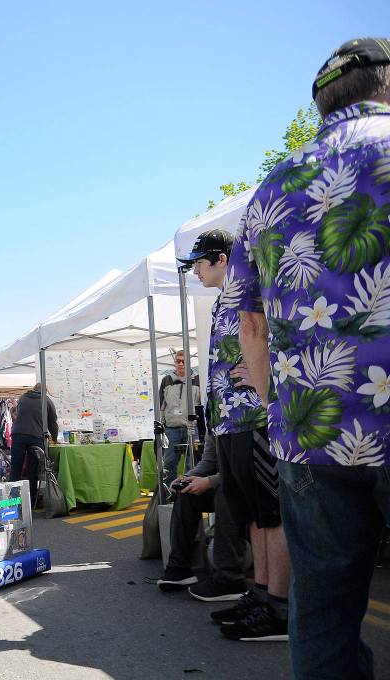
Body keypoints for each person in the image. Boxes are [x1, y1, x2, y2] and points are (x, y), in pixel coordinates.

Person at [224, 38, 390, 677]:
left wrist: (276, 404)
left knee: (321, 610)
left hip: (310, 429)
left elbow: (251, 323)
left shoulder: (272, 189)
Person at [178, 229, 291, 643]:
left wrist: (266, 376)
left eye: (199, 264)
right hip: (230, 423)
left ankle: (280, 606)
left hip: (255, 419)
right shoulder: (225, 298)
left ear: (222, 259)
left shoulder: (254, 286)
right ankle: (262, 595)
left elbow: (278, 333)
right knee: (254, 517)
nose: (195, 273)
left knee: (271, 514)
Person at [156, 434, 248, 601]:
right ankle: (179, 567)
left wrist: (209, 481)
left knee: (226, 492)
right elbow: (208, 461)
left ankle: (230, 577)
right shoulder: (215, 417)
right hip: (225, 480)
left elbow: (246, 468)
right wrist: (187, 478)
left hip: (250, 486)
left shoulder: (245, 414)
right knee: (186, 493)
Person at [9, 384, 59, 502]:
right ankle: (30, 502)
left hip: (18, 435)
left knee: (16, 469)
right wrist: (55, 438)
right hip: (35, 437)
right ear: (45, 391)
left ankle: (12, 501)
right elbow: (53, 423)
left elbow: (19, 414)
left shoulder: (23, 398)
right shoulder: (46, 401)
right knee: (32, 470)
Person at [158, 350, 200, 488]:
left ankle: (189, 493)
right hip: (171, 428)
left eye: (184, 361)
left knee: (192, 464)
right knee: (169, 463)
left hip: (192, 428)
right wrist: (162, 423)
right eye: (178, 361)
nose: (181, 364)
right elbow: (161, 405)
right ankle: (170, 493)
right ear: (175, 362)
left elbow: (201, 404)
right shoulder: (166, 380)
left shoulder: (198, 379)